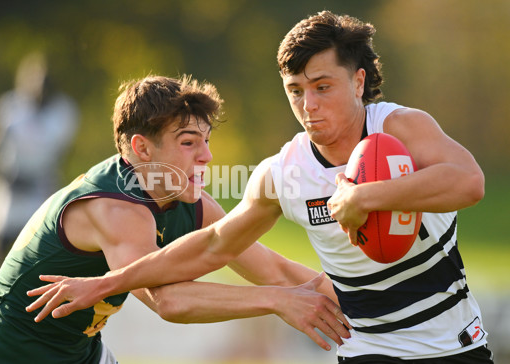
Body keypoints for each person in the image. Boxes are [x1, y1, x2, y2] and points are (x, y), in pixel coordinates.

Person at [27, 11, 495, 363]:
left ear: (358, 81)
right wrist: (107, 284)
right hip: (365, 349)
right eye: (295, 90)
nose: (308, 105)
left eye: (322, 87)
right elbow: (212, 245)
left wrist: (362, 197)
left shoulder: (399, 129)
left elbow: (469, 182)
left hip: (454, 345)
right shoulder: (283, 172)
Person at [0, 74, 351, 364]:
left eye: (206, 140)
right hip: (15, 356)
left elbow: (271, 267)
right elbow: (168, 300)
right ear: (141, 148)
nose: (206, 157)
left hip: (81, 352)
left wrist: (358, 298)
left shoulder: (184, 195)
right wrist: (276, 301)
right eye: (188, 142)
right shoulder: (117, 209)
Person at [0, 51, 79, 269]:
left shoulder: (63, 113)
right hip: (9, 186)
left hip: (40, 186)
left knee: (40, 245)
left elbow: (63, 153)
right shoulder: (10, 108)